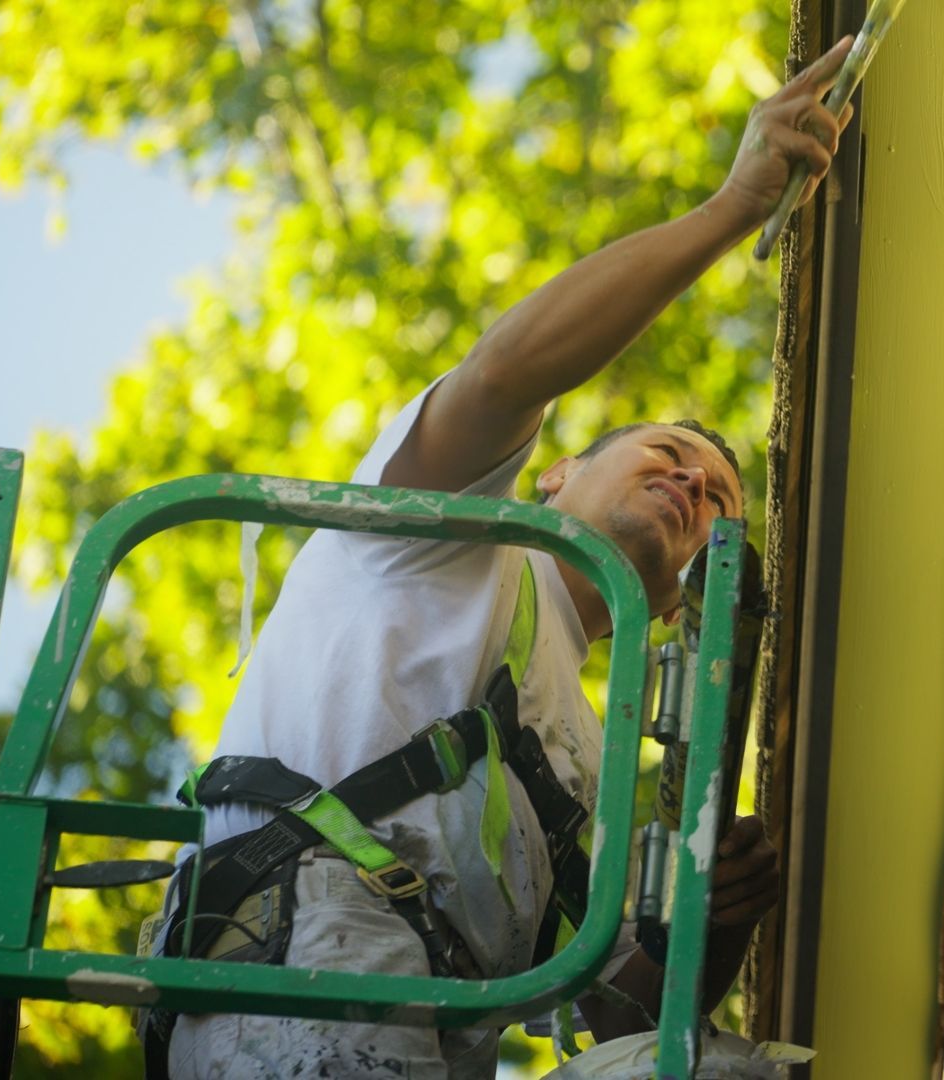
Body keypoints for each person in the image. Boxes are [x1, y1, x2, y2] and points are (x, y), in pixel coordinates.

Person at [161, 37, 857, 1079]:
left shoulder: (594, 754)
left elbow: (619, 1018)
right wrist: (731, 209)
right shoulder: (443, 539)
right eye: (667, 455)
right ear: (550, 475)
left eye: (718, 496)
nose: (695, 484)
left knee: (725, 1072)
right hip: (297, 962)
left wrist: (698, 932)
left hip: (440, 1040)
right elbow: (500, 375)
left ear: (677, 610)